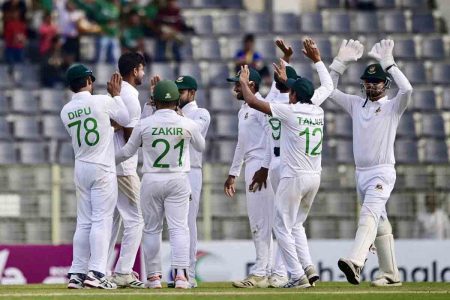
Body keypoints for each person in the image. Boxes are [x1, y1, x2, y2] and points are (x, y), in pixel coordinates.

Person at [238, 38, 333, 288]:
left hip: (292, 174)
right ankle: (309, 268)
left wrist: (243, 83)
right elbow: (328, 86)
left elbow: (253, 102)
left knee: (281, 227)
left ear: (292, 95)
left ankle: (295, 275)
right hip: (315, 175)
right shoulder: (316, 109)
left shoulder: (288, 110)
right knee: (297, 224)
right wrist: (318, 61)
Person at [321, 39, 413, 286]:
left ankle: (356, 261)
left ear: (385, 84)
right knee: (380, 222)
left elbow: (408, 90)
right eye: (368, 82)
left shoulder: (393, 107)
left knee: (368, 215)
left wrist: (389, 63)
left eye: (376, 82)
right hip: (361, 174)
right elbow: (329, 90)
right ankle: (391, 275)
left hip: (382, 173)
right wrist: (338, 64)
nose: (372, 86)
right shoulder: (355, 105)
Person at [115, 80, 205, 289]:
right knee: (179, 228)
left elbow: (127, 152)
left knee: (152, 229)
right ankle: (181, 277)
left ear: (154, 102)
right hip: (178, 179)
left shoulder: (144, 124)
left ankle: (154, 278)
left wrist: (107, 161)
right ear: (176, 102)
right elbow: (201, 146)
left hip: (151, 179)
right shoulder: (186, 123)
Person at [60, 64, 129, 289]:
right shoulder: (102, 101)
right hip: (102, 167)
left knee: (84, 222)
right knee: (102, 219)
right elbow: (125, 118)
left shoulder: (66, 110)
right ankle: (97, 272)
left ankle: (77, 273)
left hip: (81, 166)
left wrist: (108, 128)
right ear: (89, 81)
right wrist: (117, 96)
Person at [223, 66, 274, 288]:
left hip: (263, 169)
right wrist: (233, 173)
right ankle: (267, 271)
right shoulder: (244, 109)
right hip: (253, 167)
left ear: (250, 85)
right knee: (258, 221)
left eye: (238, 83)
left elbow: (273, 138)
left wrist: (264, 168)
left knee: (262, 222)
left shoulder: (260, 107)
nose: (235, 87)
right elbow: (241, 145)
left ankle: (262, 272)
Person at [107, 52, 146, 288]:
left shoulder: (118, 93)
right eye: (142, 69)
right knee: (136, 219)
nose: (143, 73)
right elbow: (130, 135)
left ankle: (99, 270)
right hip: (124, 168)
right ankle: (122, 271)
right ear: (135, 70)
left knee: (111, 221)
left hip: (111, 165)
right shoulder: (130, 95)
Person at [175, 75, 211, 288]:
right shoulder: (173, 113)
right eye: (176, 92)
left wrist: (172, 114)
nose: (178, 96)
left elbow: (193, 133)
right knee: (175, 225)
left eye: (181, 92)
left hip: (192, 171)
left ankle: (189, 272)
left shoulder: (201, 113)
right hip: (174, 171)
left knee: (188, 222)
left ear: (192, 93)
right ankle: (179, 272)